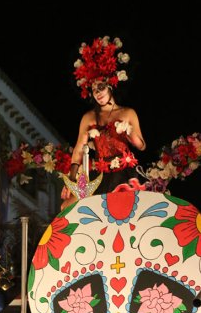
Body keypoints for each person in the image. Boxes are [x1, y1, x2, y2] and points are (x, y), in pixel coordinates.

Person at [61, 35, 146, 209]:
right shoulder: (89, 117)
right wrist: (70, 179)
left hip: (124, 174)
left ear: (111, 85)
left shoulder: (127, 112)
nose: (98, 93)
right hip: (98, 175)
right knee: (67, 207)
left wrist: (128, 131)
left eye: (101, 87)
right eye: (93, 90)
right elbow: (78, 150)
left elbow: (141, 145)